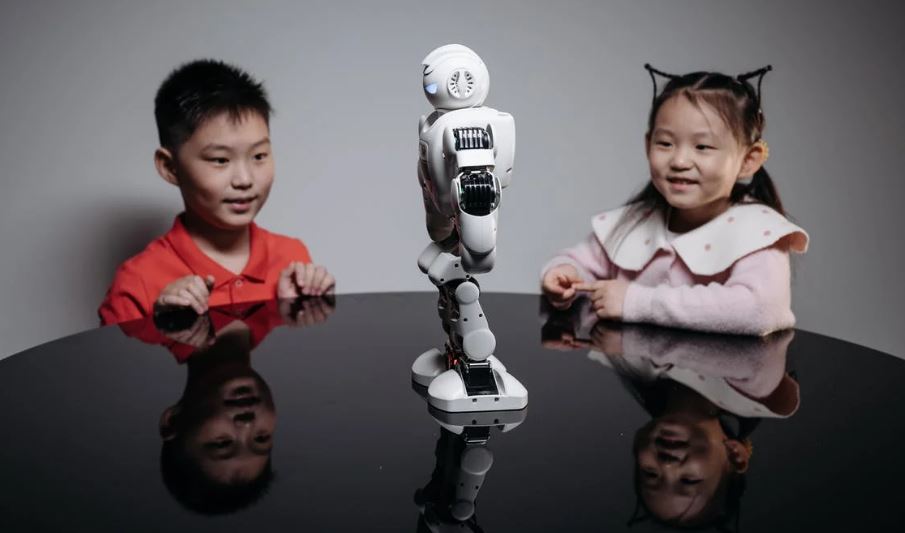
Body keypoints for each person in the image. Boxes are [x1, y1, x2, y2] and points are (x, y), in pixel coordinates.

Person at [541, 65, 808, 335]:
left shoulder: (758, 233)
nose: (679, 161)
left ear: (749, 160)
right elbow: (580, 261)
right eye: (665, 143)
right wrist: (564, 273)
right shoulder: (637, 221)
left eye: (702, 147)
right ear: (648, 145)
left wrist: (636, 302)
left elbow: (758, 310)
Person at [99, 59, 334, 325]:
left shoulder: (292, 258)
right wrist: (160, 330)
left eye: (259, 155)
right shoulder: (137, 282)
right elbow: (112, 367)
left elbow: (303, 363)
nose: (245, 179)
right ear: (169, 167)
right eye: (220, 160)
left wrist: (304, 314)